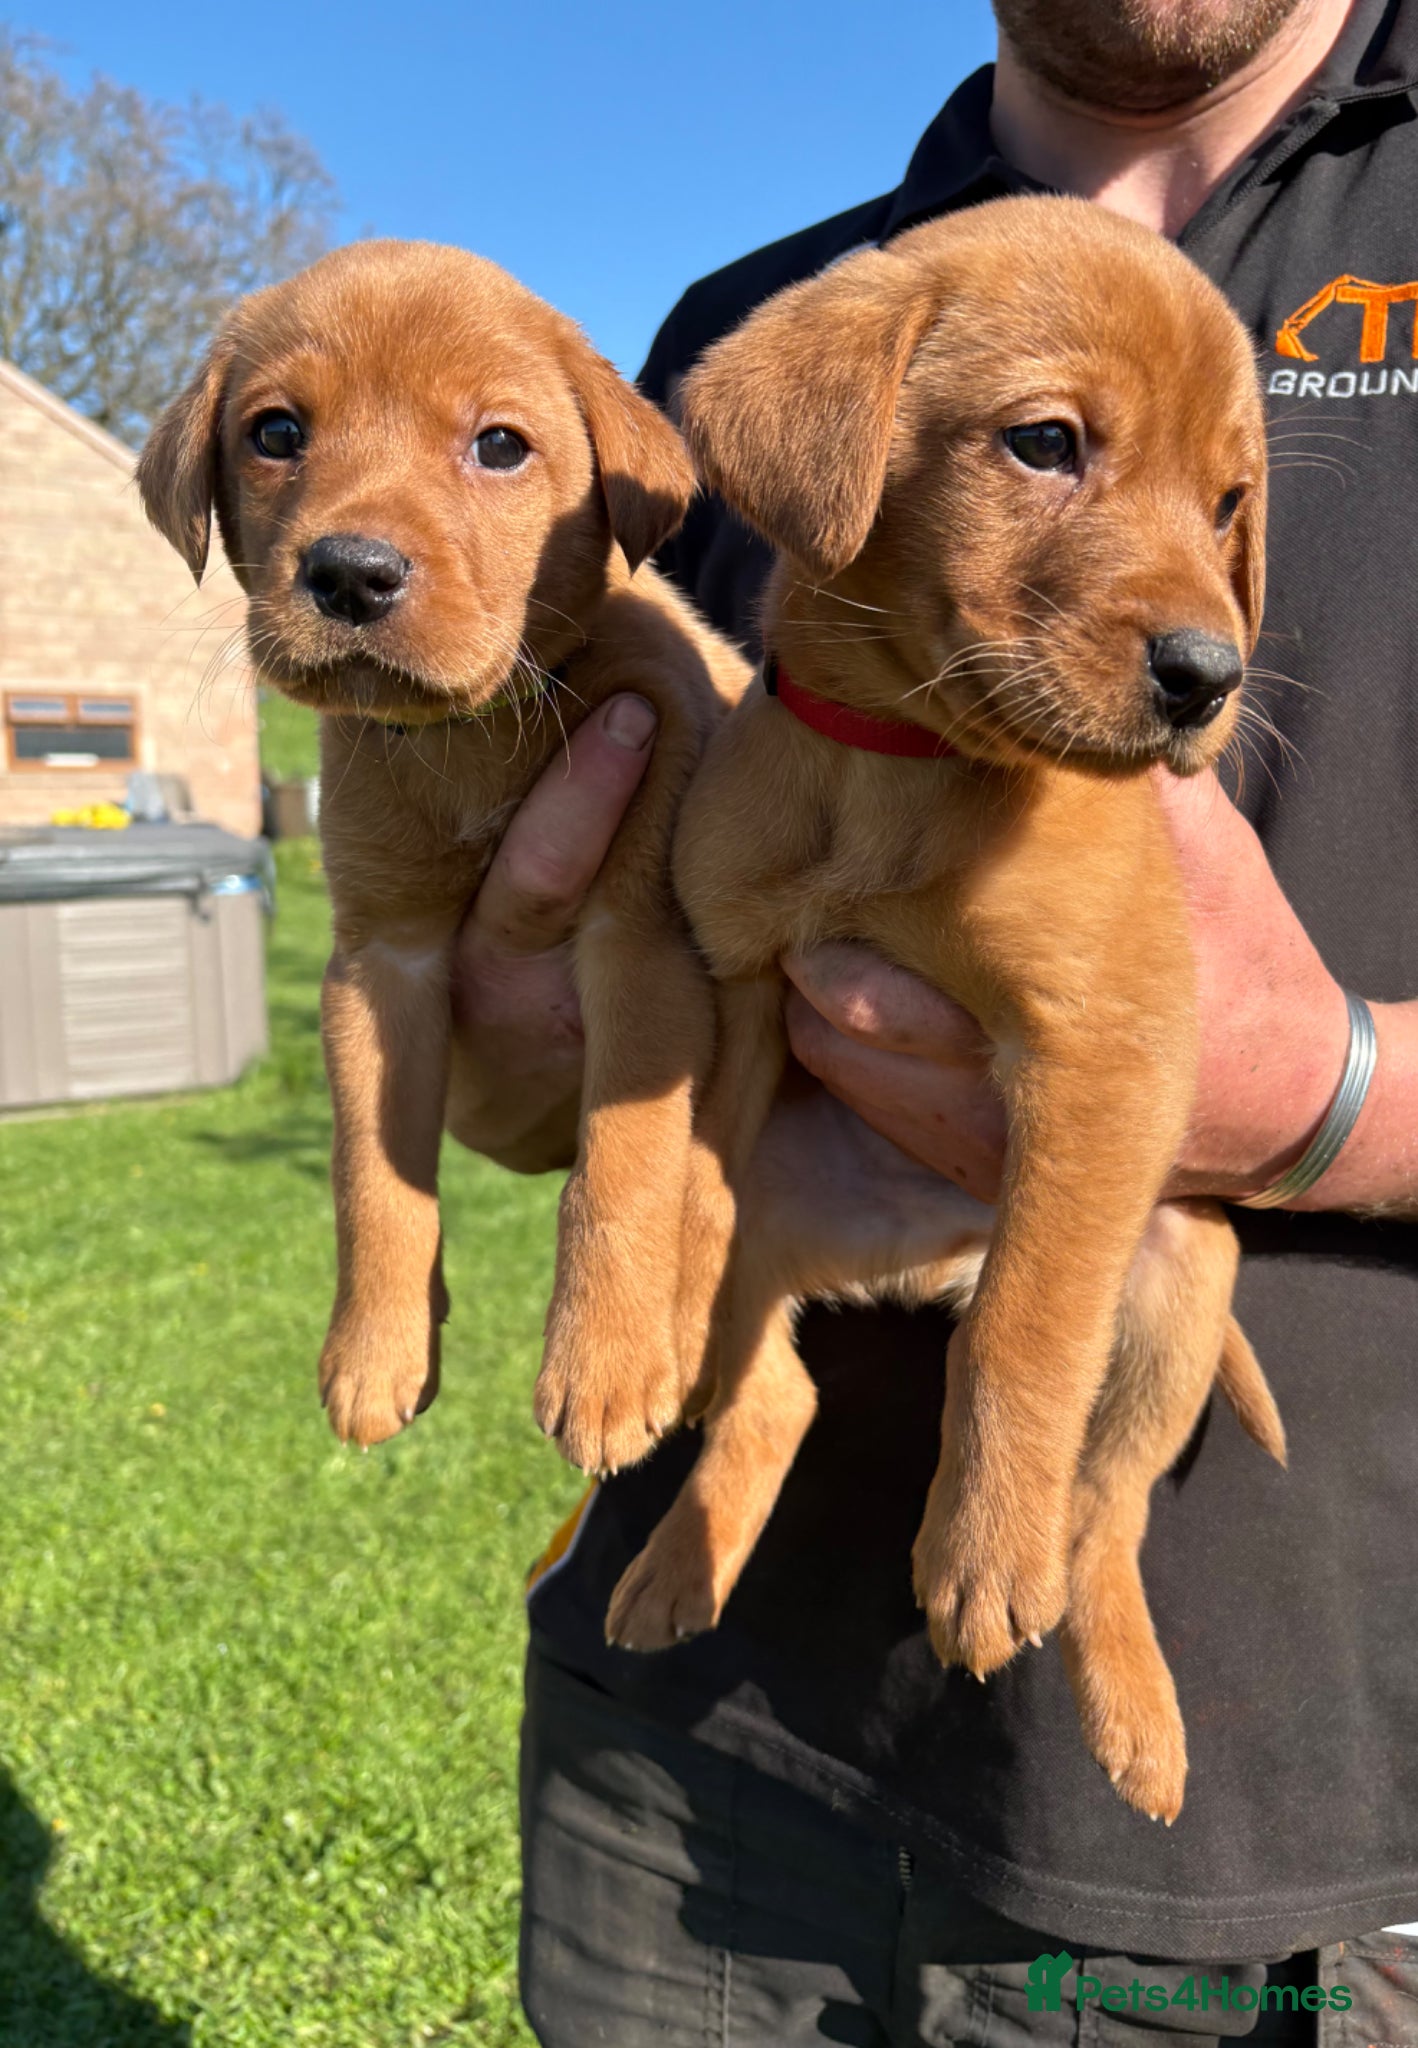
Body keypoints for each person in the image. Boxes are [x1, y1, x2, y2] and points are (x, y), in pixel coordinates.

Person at [447, 1, 1418, 2040]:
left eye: (1221, 514)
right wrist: (535, 1030)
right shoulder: (764, 333)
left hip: (1268, 1815)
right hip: (680, 1745)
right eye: (1047, 448)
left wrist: (1334, 1092)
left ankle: (1112, 1571)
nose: (1201, 613)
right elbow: (572, 1042)